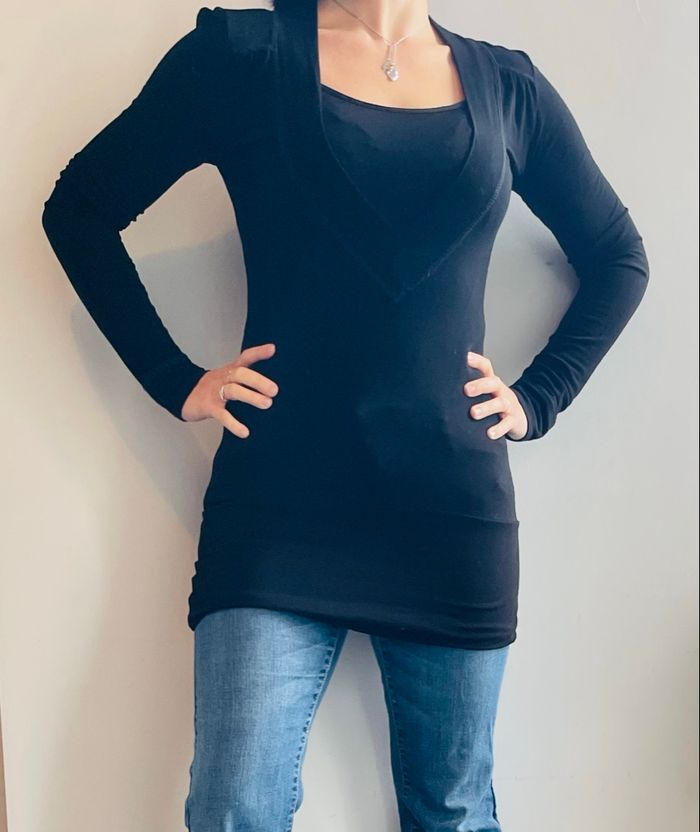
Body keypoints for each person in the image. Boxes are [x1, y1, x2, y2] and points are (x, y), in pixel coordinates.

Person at [40, 1, 650, 830]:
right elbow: (79, 207)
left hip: (450, 518)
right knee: (235, 807)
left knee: (452, 814)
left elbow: (618, 256)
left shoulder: (509, 87)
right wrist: (174, 379)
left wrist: (537, 398)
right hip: (278, 510)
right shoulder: (241, 55)